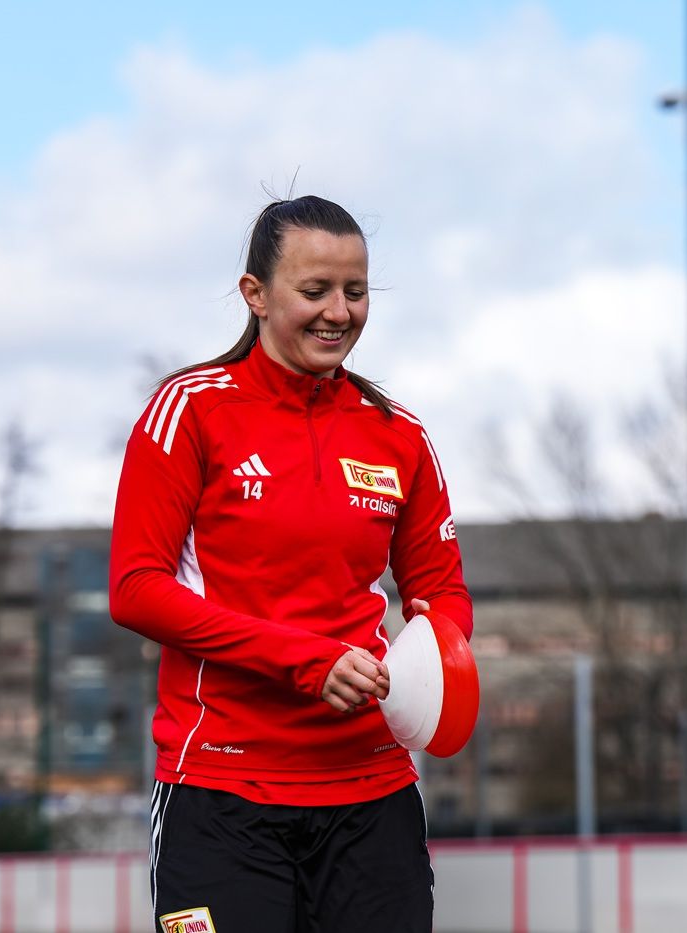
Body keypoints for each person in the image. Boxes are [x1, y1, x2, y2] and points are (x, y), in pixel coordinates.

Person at [109, 194, 472, 932]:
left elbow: (442, 595)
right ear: (256, 294)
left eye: (355, 291)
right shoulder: (189, 411)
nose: (339, 311)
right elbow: (135, 589)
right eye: (315, 291)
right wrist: (304, 659)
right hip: (220, 792)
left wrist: (430, 670)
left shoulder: (399, 436)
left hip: (372, 795)